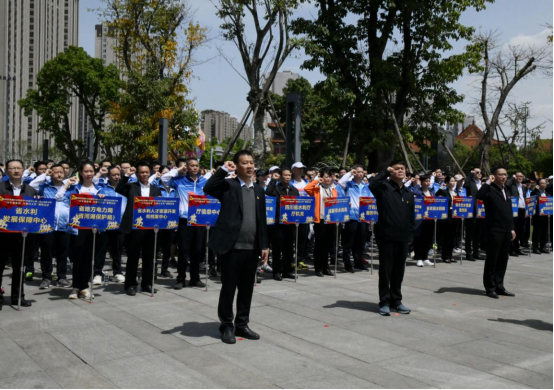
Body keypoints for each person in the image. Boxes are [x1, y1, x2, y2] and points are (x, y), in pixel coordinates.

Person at [204, 150, 269, 345]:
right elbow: (208, 187)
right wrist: (224, 169)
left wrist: (264, 245)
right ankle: (226, 325)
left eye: (251, 162)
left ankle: (242, 323)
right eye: (244, 162)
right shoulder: (228, 186)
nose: (249, 166)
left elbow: (262, 220)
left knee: (247, 288)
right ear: (237, 166)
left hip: (252, 248)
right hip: (232, 247)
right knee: (229, 287)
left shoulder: (258, 190)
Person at [56, 161, 107, 300]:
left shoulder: (100, 188)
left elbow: (108, 208)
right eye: (86, 171)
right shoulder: (74, 188)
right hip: (77, 229)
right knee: (77, 258)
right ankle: (75, 287)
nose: (89, 174)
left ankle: (84, 286)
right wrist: (67, 184)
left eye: (91, 171)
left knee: (89, 258)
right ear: (80, 172)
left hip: (94, 229)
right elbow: (58, 197)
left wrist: (103, 199)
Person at [370, 162, 414, 316]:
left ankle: (397, 301)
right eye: (396, 168)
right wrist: (385, 171)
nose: (400, 171)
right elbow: (372, 185)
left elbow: (411, 217)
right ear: (391, 171)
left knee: (398, 271)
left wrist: (410, 236)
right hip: (386, 236)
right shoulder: (384, 188)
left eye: (402, 168)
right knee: (386, 271)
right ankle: (384, 302)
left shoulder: (408, 193)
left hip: (402, 238)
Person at [161, 157, 207, 289]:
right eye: (191, 165)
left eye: (197, 165)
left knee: (197, 250)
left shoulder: (204, 181)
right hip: (184, 219)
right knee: (183, 250)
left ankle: (195, 278)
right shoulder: (179, 181)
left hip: (199, 219)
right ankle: (180, 278)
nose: (194, 168)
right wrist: (178, 170)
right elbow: (164, 179)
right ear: (186, 167)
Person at [117, 162, 162, 296]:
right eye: (141, 172)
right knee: (133, 257)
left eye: (146, 172)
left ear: (150, 174)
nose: (144, 174)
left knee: (149, 257)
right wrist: (126, 175)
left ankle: (146, 284)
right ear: (137, 174)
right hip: (134, 227)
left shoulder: (155, 189)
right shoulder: (131, 187)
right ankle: (130, 285)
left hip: (150, 227)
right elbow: (119, 188)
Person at [0, 159, 38, 307]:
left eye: (18, 168)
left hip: (22, 236)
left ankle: (18, 296)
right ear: (7, 171)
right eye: (12, 168)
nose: (16, 171)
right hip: (2, 235)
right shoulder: (1, 188)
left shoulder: (30, 190)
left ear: (23, 170)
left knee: (19, 267)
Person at [30, 164, 73, 289]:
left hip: (64, 225)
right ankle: (46, 277)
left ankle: (62, 277)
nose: (59, 174)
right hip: (48, 225)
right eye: (55, 172)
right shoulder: (45, 187)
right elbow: (32, 185)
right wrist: (44, 174)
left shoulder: (72, 188)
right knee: (46, 252)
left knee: (63, 252)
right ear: (51, 173)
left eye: (61, 172)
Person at [476, 166, 516, 299]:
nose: (504, 177)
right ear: (494, 176)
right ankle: (490, 287)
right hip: (494, 229)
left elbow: (508, 211)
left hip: (506, 229)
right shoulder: (489, 189)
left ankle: (500, 286)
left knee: (503, 260)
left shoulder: (506, 189)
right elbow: (479, 196)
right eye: (500, 175)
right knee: (492, 260)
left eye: (505, 174)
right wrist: (487, 182)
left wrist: (512, 228)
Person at [93, 166, 127, 285]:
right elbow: (92, 185)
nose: (117, 177)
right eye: (114, 175)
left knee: (117, 250)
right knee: (101, 249)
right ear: (108, 176)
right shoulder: (102, 187)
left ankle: (117, 272)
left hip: (120, 224)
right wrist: (99, 197)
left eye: (118, 174)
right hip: (105, 224)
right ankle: (97, 273)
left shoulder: (125, 187)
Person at [338, 165, 373, 272]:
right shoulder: (348, 184)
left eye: (362, 172)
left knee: (360, 242)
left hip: (362, 217)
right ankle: (347, 263)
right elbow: (340, 183)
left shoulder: (366, 186)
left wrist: (371, 215)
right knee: (348, 242)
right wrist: (349, 173)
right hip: (351, 217)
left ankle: (358, 262)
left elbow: (371, 200)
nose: (360, 173)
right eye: (358, 171)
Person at [265, 168, 299, 280]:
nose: (287, 177)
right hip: (278, 223)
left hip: (290, 223)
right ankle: (277, 272)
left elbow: (298, 205)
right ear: (281, 176)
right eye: (285, 175)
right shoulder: (276, 188)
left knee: (289, 249)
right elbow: (268, 192)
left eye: (289, 175)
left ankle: (287, 271)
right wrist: (273, 180)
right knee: (277, 249)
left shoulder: (294, 190)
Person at [305, 168, 338, 276]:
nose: (328, 179)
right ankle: (318, 268)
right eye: (326, 177)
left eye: (329, 176)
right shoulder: (317, 188)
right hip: (320, 219)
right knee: (319, 244)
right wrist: (316, 181)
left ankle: (326, 267)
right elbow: (306, 188)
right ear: (321, 177)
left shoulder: (333, 189)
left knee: (328, 245)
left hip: (331, 220)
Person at [436, 175, 461, 263]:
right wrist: (441, 188)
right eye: (451, 181)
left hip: (454, 217)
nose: (453, 183)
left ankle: (450, 255)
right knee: (446, 237)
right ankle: (445, 255)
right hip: (447, 217)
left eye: (454, 181)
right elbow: (437, 197)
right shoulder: (444, 192)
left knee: (452, 237)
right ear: (446, 183)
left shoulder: (456, 192)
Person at [290, 162, 310, 270]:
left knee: (303, 239)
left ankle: (300, 260)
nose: (300, 170)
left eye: (302, 168)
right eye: (298, 169)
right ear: (293, 170)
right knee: (292, 238)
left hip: (305, 215)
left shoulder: (307, 183)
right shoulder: (290, 183)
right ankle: (291, 260)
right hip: (293, 214)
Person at [412, 175, 435, 267]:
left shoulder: (431, 192)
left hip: (430, 219)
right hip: (420, 219)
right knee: (419, 239)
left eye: (429, 181)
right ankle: (419, 258)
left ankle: (425, 257)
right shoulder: (417, 192)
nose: (428, 183)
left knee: (428, 238)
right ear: (421, 182)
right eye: (426, 181)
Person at [463, 168, 484, 260]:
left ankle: (476, 252)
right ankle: (468, 253)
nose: (479, 174)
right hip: (472, 210)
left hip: (481, 210)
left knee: (478, 233)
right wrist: (470, 174)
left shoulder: (482, 184)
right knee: (470, 233)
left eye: (480, 172)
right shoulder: (470, 182)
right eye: (477, 172)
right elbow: (465, 184)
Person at [505, 171, 526, 256]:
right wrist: (512, 178)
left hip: (522, 209)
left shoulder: (523, 187)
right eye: (518, 176)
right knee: (513, 229)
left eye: (521, 176)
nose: (520, 178)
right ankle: (511, 249)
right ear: (515, 177)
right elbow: (506, 184)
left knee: (520, 230)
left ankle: (517, 248)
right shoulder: (511, 185)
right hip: (514, 209)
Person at [531, 178, 549, 254]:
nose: (543, 185)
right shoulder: (535, 192)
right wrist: (536, 190)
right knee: (537, 232)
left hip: (546, 215)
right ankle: (535, 247)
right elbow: (533, 196)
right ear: (538, 184)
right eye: (542, 183)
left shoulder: (548, 193)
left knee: (545, 232)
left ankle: (543, 247)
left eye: (544, 183)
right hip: (538, 215)